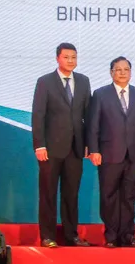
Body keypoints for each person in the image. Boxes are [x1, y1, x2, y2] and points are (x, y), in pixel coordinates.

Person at [31, 42, 92, 248]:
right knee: (48, 193)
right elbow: (38, 115)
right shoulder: (45, 82)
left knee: (71, 194)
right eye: (66, 57)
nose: (71, 61)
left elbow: (88, 116)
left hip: (76, 148)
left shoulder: (83, 81)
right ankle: (47, 236)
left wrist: (88, 144)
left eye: (74, 57)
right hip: (51, 149)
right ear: (58, 58)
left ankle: (71, 235)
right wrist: (39, 145)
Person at [87, 56, 135, 248]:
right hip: (109, 153)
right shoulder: (100, 94)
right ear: (111, 72)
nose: (122, 73)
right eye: (118, 69)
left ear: (130, 72)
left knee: (130, 196)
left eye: (126, 69)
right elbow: (93, 125)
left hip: (133, 153)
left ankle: (128, 235)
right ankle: (111, 235)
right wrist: (94, 150)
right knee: (109, 195)